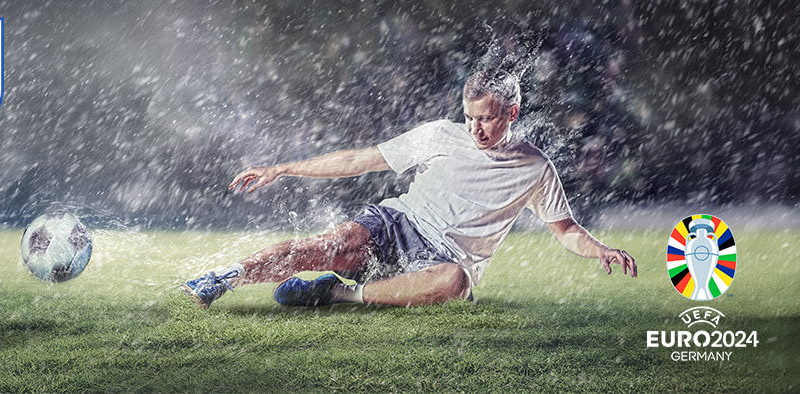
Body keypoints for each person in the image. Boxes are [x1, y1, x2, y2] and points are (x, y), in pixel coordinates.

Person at [180, 70, 637, 309]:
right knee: (333, 244)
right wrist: (283, 168)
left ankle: (334, 295)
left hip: (443, 259)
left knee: (457, 284)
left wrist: (600, 250)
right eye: (470, 116)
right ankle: (225, 278)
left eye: (488, 118)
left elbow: (564, 227)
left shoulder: (535, 168)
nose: (476, 128)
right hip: (399, 223)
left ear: (512, 112)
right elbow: (362, 159)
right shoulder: (441, 134)